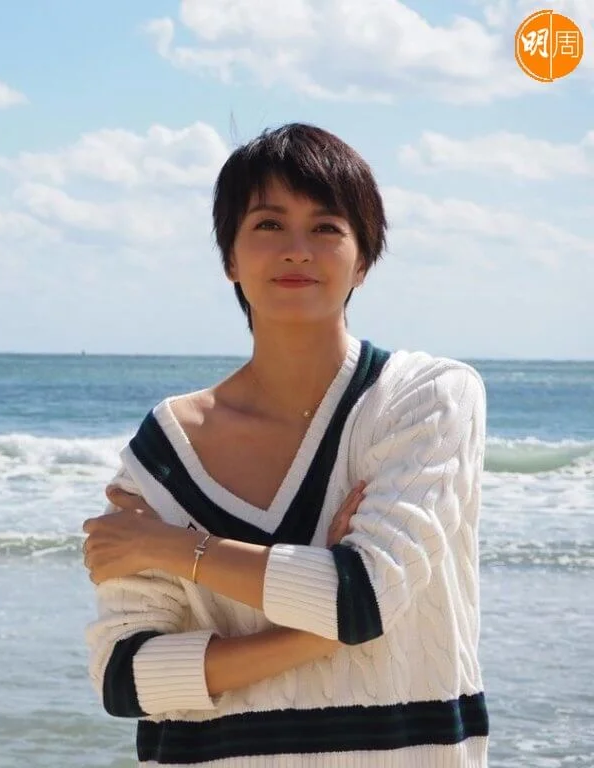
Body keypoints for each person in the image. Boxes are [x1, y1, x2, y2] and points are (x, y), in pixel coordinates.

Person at [81, 123, 489, 767]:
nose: (297, 250)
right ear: (230, 259)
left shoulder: (426, 397)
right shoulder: (166, 448)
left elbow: (362, 597)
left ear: (363, 261)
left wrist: (172, 548)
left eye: (326, 227)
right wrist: (321, 628)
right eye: (269, 224)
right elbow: (126, 677)